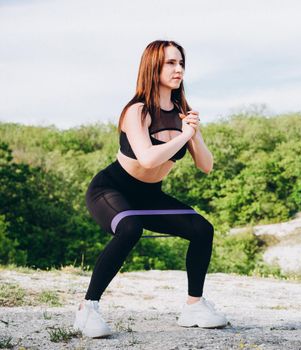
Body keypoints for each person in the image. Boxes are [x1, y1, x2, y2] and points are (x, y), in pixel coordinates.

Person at [73, 40, 228, 338]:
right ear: (153, 66)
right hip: (111, 190)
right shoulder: (137, 111)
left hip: (149, 195)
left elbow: (206, 165)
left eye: (181, 63)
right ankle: (87, 308)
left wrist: (194, 135)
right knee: (130, 228)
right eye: (170, 63)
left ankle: (194, 306)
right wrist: (184, 137)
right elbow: (147, 158)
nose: (178, 68)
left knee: (202, 229)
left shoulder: (184, 113)